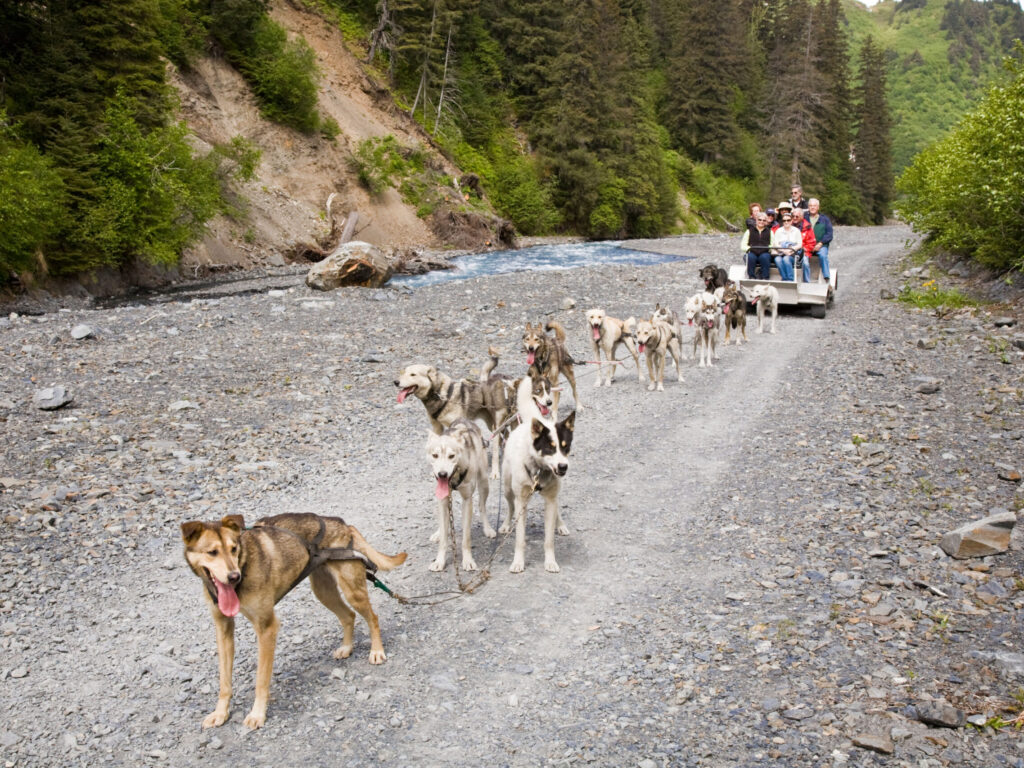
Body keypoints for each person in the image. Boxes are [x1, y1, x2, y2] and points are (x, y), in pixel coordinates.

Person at [806, 197, 833, 284]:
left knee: (822, 255)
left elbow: (829, 234)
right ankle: (804, 279)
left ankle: (826, 277)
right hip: (807, 245)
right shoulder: (804, 218)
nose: (812, 207)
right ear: (808, 207)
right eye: (810, 206)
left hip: (821, 245)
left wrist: (820, 243)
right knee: (800, 258)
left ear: (818, 207)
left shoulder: (825, 219)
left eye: (814, 206)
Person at [770, 209, 802, 281]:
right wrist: (784, 251)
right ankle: (784, 278)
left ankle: (790, 279)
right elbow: (776, 243)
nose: (786, 222)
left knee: (786, 259)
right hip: (781, 252)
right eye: (784, 220)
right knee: (777, 260)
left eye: (788, 220)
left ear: (791, 221)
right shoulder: (779, 231)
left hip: (793, 253)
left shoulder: (796, 231)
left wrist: (791, 250)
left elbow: (800, 244)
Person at [741, 212, 772, 279]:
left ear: (766, 221)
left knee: (765, 257)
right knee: (750, 257)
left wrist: (768, 248)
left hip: (764, 252)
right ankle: (751, 277)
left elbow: (772, 244)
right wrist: (750, 249)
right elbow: (743, 245)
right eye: (759, 220)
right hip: (752, 252)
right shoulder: (749, 231)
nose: (761, 222)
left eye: (764, 220)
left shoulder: (770, 231)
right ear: (756, 220)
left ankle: (765, 277)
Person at [789, 207, 817, 281]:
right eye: (793, 216)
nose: (794, 218)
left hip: (803, 251)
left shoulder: (807, 227)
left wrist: (803, 249)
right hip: (789, 250)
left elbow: (812, 243)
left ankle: (806, 282)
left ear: (802, 217)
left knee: (805, 263)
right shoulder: (788, 224)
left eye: (797, 216)